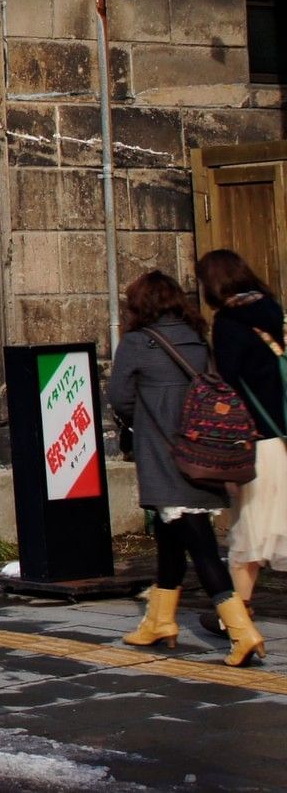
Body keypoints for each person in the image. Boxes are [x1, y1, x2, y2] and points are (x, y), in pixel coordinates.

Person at [107, 268, 263, 667]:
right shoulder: (197, 339)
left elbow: (120, 398)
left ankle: (242, 631)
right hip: (203, 457)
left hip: (163, 457)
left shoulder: (138, 344)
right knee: (171, 539)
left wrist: (144, 418)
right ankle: (159, 620)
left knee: (203, 550)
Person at [197, 250, 287, 625]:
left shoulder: (228, 324)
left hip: (255, 441)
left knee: (248, 533)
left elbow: (228, 384)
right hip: (282, 435)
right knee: (269, 528)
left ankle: (236, 620)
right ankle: (238, 614)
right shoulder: (270, 310)